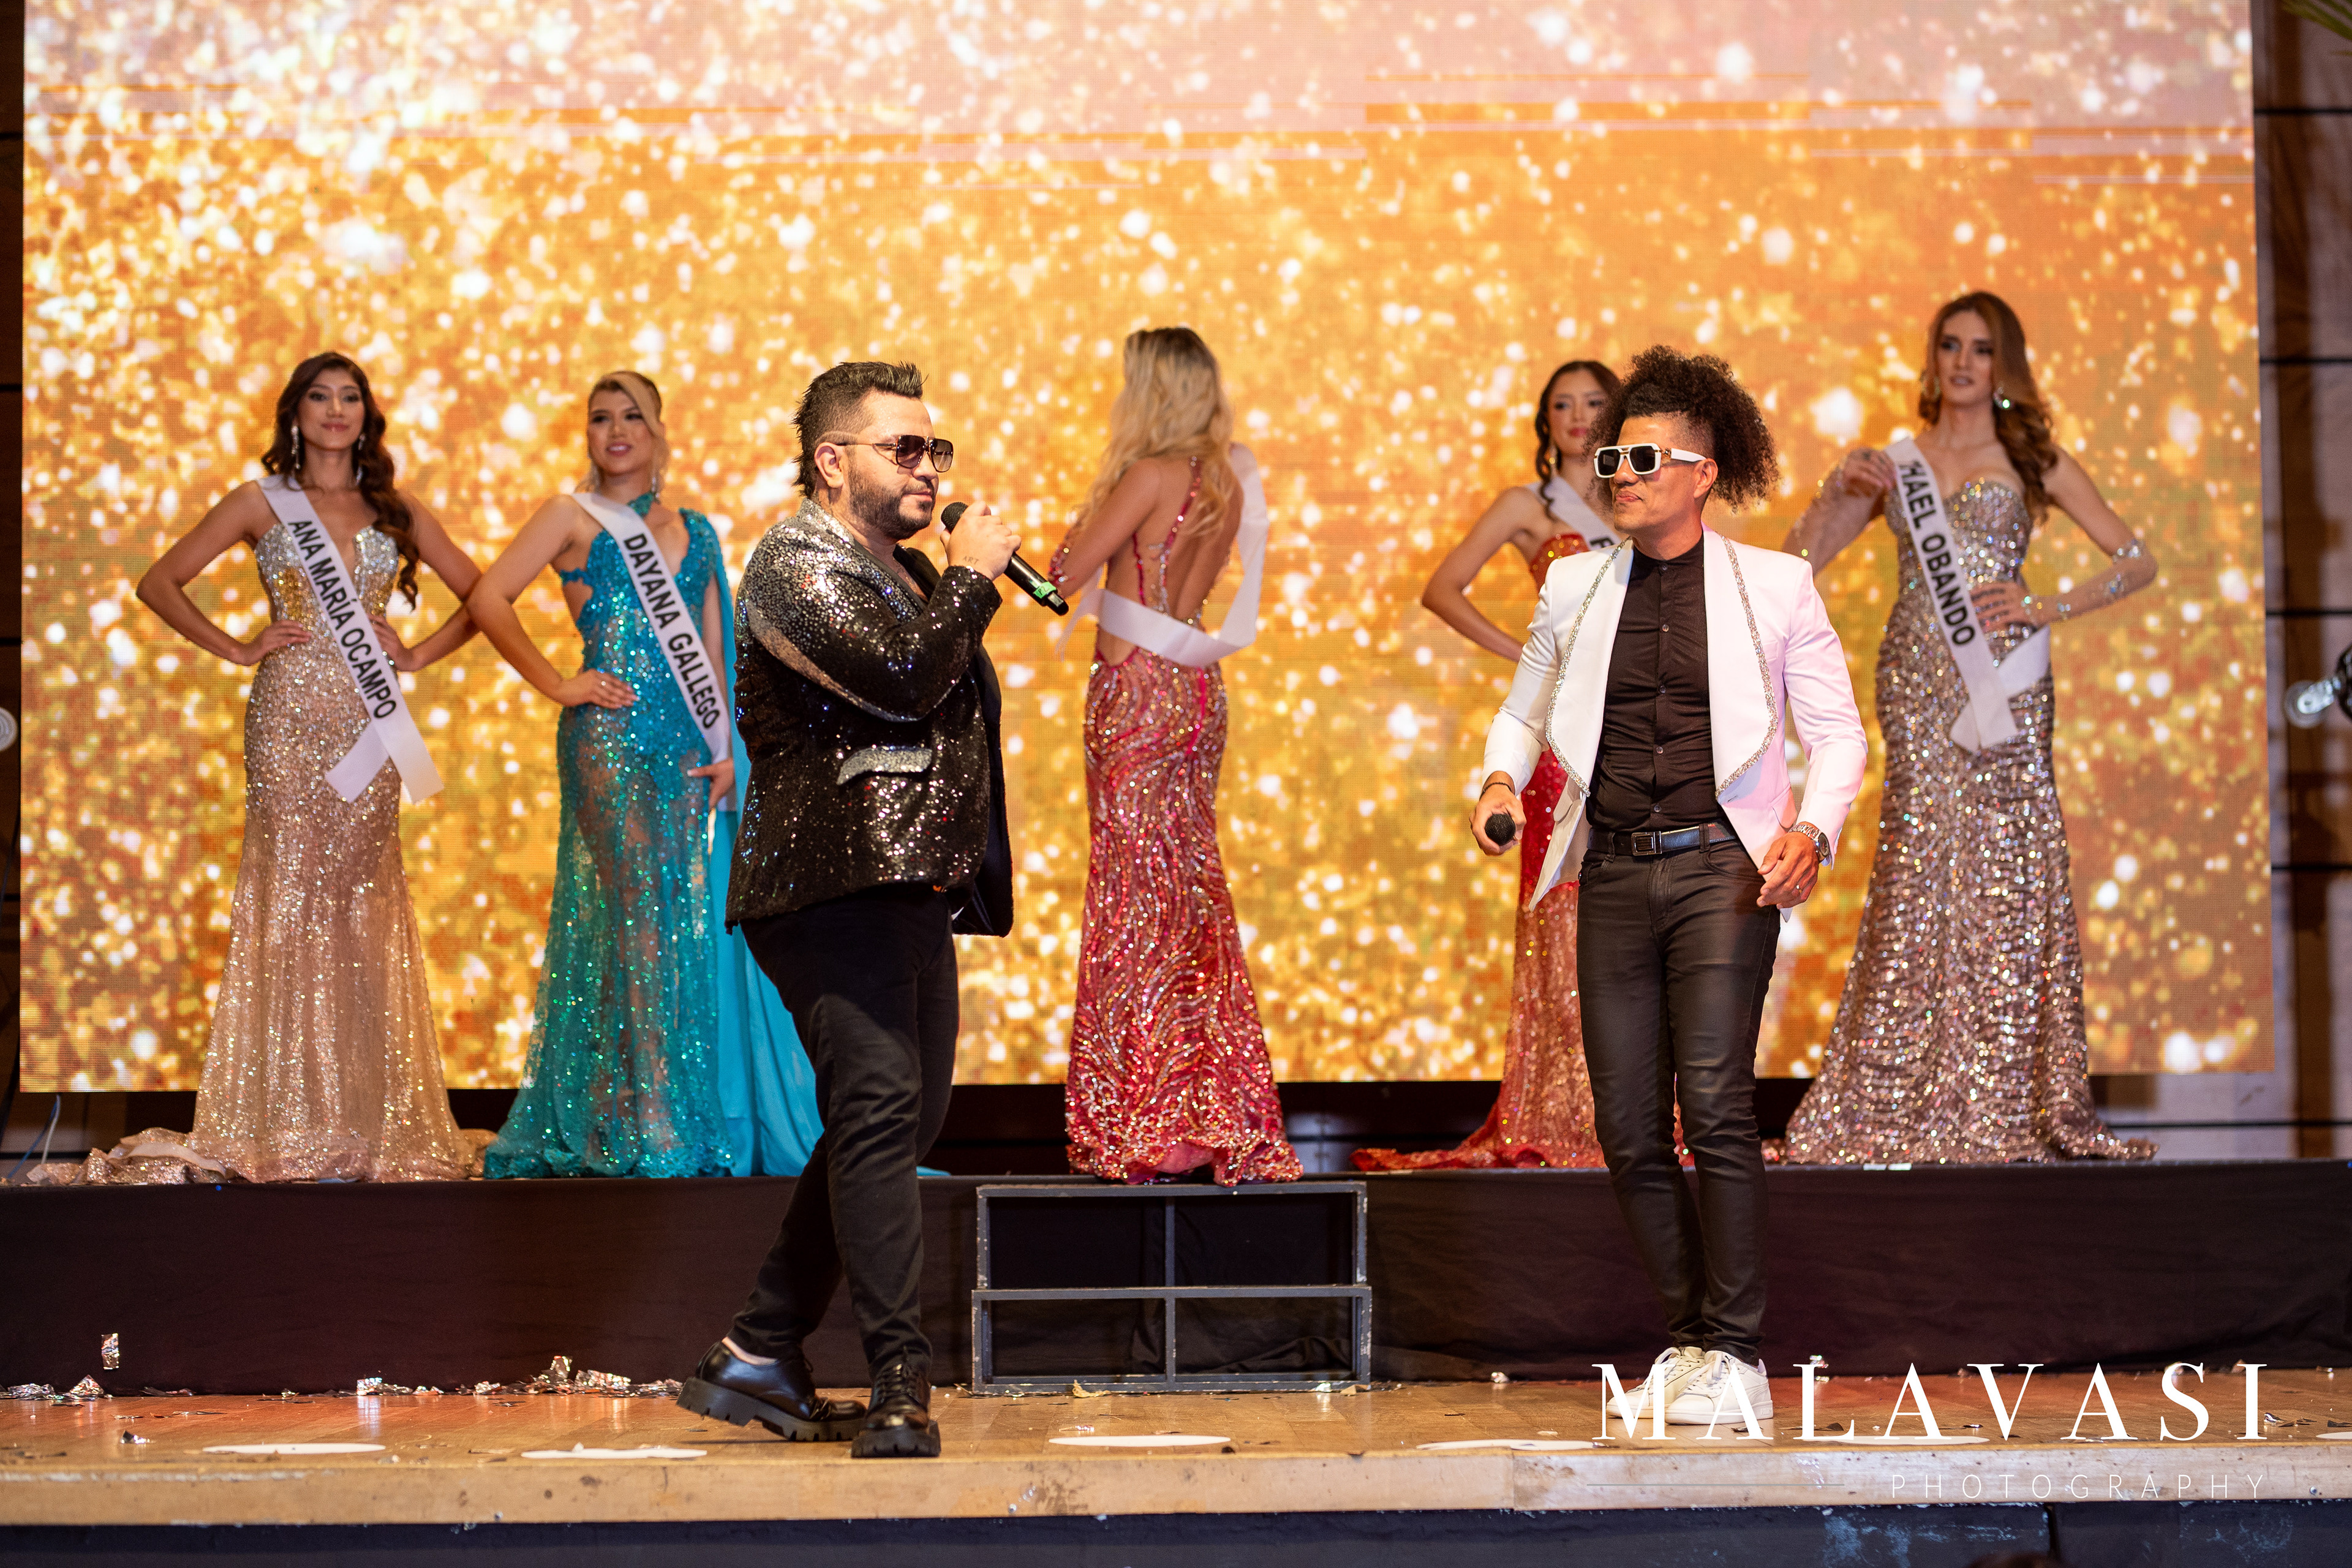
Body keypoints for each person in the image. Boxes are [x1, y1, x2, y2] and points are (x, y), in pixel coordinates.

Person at [1472, 346, 1868, 1423]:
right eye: (1614, 458)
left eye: (1644, 459)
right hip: (1610, 869)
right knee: (1629, 1127)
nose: (1622, 475)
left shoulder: (1774, 586)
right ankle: (1694, 1342)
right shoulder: (1574, 584)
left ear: (1703, 473)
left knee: (1718, 1104)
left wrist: (1815, 831)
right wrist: (1500, 778)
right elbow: (1523, 707)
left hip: (1721, 873)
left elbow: (1839, 736)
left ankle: (1736, 1350)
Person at [679, 361, 1020, 1459]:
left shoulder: (909, 572)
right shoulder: (793, 563)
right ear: (833, 461)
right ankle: (898, 1383)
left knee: (900, 1122)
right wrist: (975, 583)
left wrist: (953, 585)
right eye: (903, 448)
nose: (930, 469)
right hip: (830, 883)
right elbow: (905, 681)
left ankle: (760, 1349)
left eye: (935, 448)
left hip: (908, 880)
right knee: (878, 1110)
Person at [1781, 293, 2157, 1164]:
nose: (1962, 362)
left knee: (2010, 874)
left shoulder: (2032, 458)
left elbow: (2137, 560)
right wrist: (1839, 486)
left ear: (2003, 364)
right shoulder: (1896, 463)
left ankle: (2010, 1098)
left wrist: (2045, 605)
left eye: (1981, 350)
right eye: (1949, 345)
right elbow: (1798, 561)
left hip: (2008, 685)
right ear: (1932, 358)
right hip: (1916, 681)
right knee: (1919, 870)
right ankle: (1894, 1096)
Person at [134, 352, 480, 1182]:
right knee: (288, 898)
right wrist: (236, 646)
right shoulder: (261, 502)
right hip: (287, 723)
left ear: (367, 415)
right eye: (319, 397)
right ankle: (286, 1120)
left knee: (360, 906)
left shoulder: (395, 509)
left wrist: (417, 654)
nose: (334, 410)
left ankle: (361, 1120)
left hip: (371, 728)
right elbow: (159, 582)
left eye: (349, 397)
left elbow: (483, 595)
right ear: (295, 412)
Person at [466, 371, 745, 1180]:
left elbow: (712, 650)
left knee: (673, 915)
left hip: (685, 750)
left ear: (658, 432)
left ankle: (630, 1105)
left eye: (633, 417)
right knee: (635, 915)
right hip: (608, 741)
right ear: (586, 434)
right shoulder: (570, 515)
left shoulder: (697, 530)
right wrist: (559, 683)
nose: (616, 430)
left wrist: (726, 749)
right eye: (600, 418)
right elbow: (489, 598)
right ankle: (646, 1111)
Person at [1047, 327, 1302, 1185]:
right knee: (1189, 896)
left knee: (1131, 898)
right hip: (1196, 691)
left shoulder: (1149, 474)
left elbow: (1061, 578)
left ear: (1149, 391)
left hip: (1134, 692)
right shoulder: (1229, 480)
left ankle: (1141, 1119)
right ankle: (1207, 1111)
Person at [1357, 358, 1622, 1172]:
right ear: (1545, 420)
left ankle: (1632, 1109)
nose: (1577, 416)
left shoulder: (1639, 495)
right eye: (1562, 404)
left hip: (1637, 728)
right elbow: (1443, 588)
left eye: (1593, 402)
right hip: (1563, 737)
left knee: (1634, 912)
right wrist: (1525, 656)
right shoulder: (1527, 506)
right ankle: (1566, 1108)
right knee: (1563, 913)